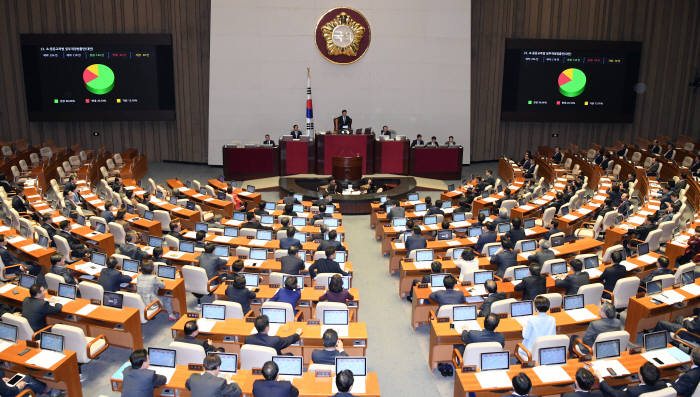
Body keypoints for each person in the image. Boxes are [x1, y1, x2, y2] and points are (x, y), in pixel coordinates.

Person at [596, 362, 669, 397]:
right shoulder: (663, 384)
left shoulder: (632, 391)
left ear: (641, 377)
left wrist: (600, 378)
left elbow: (615, 394)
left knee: (604, 391)